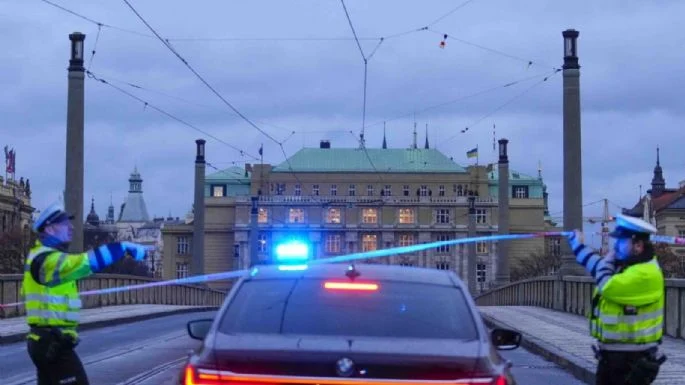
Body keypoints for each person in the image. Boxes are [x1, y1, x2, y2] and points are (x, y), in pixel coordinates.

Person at [22, 202, 150, 385]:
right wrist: (121, 248)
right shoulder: (46, 261)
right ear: (50, 229)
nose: (72, 227)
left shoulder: (43, 256)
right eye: (65, 224)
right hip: (52, 343)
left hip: (47, 341)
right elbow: (85, 263)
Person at [568, 214, 667, 385]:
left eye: (621, 242)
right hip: (615, 357)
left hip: (632, 361)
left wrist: (609, 257)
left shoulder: (645, 273)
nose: (616, 246)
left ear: (638, 245)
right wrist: (578, 246)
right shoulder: (629, 268)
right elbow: (598, 267)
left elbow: (605, 284)